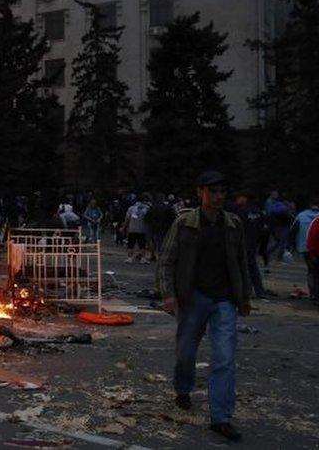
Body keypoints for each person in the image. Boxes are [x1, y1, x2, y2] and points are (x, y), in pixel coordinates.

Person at [157, 171, 251, 442]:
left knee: (225, 357)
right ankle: (183, 388)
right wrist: (168, 294)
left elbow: (242, 262)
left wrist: (244, 297)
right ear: (200, 193)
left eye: (222, 191)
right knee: (186, 351)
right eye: (213, 191)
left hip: (224, 299)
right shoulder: (185, 222)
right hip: (193, 297)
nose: (218, 197)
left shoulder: (233, 224)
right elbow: (167, 259)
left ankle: (221, 417)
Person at [227, 191, 271, 299]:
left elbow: (234, 228)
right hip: (253, 243)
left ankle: (245, 290)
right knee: (252, 267)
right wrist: (262, 247)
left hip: (241, 243)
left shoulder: (240, 211)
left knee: (241, 267)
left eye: (238, 198)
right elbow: (264, 230)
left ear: (244, 198)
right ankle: (258, 290)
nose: (237, 201)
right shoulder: (258, 212)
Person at [293, 199, 319, 301]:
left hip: (305, 247)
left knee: (311, 270)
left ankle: (313, 293)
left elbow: (293, 231)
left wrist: (291, 246)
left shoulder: (301, 215)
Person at [265, 195, 293, 262]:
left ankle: (267, 252)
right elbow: (288, 218)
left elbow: (270, 217)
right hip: (284, 227)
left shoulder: (274, 207)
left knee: (278, 242)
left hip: (275, 228)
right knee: (282, 242)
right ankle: (279, 257)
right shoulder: (285, 208)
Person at [123, 197, 150, 263]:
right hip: (142, 229)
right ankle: (143, 258)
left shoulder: (131, 208)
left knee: (131, 244)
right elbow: (149, 218)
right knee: (142, 244)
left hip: (132, 229)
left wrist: (124, 227)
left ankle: (130, 258)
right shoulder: (146, 208)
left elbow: (127, 218)